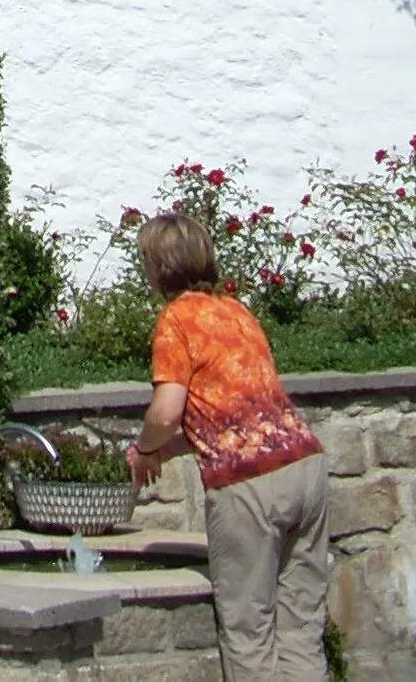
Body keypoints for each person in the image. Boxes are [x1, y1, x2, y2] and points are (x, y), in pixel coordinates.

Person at [125, 209, 329, 682]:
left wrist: (143, 446)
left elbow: (166, 411)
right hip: (305, 466)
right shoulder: (236, 312)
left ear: (160, 266)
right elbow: (230, 419)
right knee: (300, 626)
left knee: (248, 630)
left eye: (146, 262)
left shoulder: (176, 320)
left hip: (249, 488)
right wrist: (163, 451)